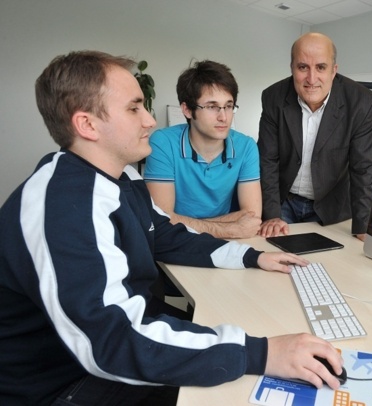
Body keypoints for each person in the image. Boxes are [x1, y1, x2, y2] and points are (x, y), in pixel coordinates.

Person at [0, 51, 344, 405]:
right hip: (62, 385)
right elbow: (113, 343)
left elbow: (165, 233)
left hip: (105, 349)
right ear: (87, 125)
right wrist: (263, 354)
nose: (150, 120)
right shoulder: (62, 205)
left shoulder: (123, 178)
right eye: (134, 108)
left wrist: (253, 257)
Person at [258, 32, 372, 241]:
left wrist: (362, 227)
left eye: (321, 67)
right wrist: (271, 215)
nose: (311, 79)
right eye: (303, 67)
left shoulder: (362, 102)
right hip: (283, 202)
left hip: (333, 207)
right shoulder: (273, 97)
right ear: (292, 68)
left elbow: (364, 169)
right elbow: (267, 160)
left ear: (334, 71)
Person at [144, 60, 261, 239]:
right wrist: (231, 228)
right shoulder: (163, 142)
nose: (223, 117)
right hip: (176, 242)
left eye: (228, 106)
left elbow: (252, 216)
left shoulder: (246, 146)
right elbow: (162, 220)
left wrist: (190, 224)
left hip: (224, 245)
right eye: (212, 107)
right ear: (188, 110)